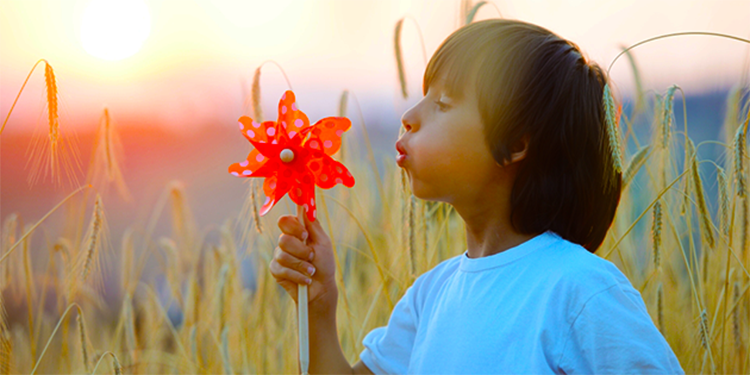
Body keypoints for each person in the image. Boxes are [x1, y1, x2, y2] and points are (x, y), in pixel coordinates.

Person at [270, 18, 684, 374]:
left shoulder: (580, 290)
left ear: (515, 143)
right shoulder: (429, 295)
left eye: (444, 103)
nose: (409, 117)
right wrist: (319, 308)